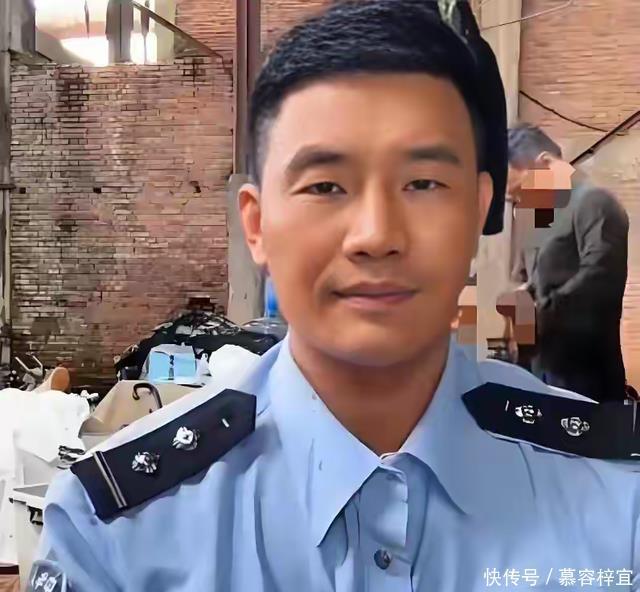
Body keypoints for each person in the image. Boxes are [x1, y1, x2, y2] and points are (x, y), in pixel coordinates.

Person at [30, 2, 640, 591]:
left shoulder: (617, 502)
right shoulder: (117, 535)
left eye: (423, 182)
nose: (376, 235)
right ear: (257, 226)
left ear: (479, 210)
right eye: (325, 186)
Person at [507, 124, 629, 402]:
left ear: (546, 163)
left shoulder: (595, 203)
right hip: (539, 366)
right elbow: (527, 279)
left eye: (522, 190)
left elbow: (600, 280)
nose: (520, 202)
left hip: (583, 374)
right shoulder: (536, 216)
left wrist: (538, 312)